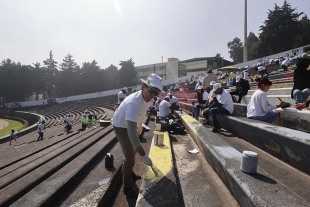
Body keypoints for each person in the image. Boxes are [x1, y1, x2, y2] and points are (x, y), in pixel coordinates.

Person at [112, 73, 162, 198]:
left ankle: (131, 173)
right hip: (121, 126)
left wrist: (139, 124)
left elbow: (142, 113)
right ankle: (127, 186)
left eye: (156, 93)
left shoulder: (147, 98)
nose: (152, 95)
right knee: (129, 158)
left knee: (133, 150)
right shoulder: (134, 103)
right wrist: (144, 155)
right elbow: (130, 133)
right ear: (143, 86)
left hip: (130, 124)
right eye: (151, 91)